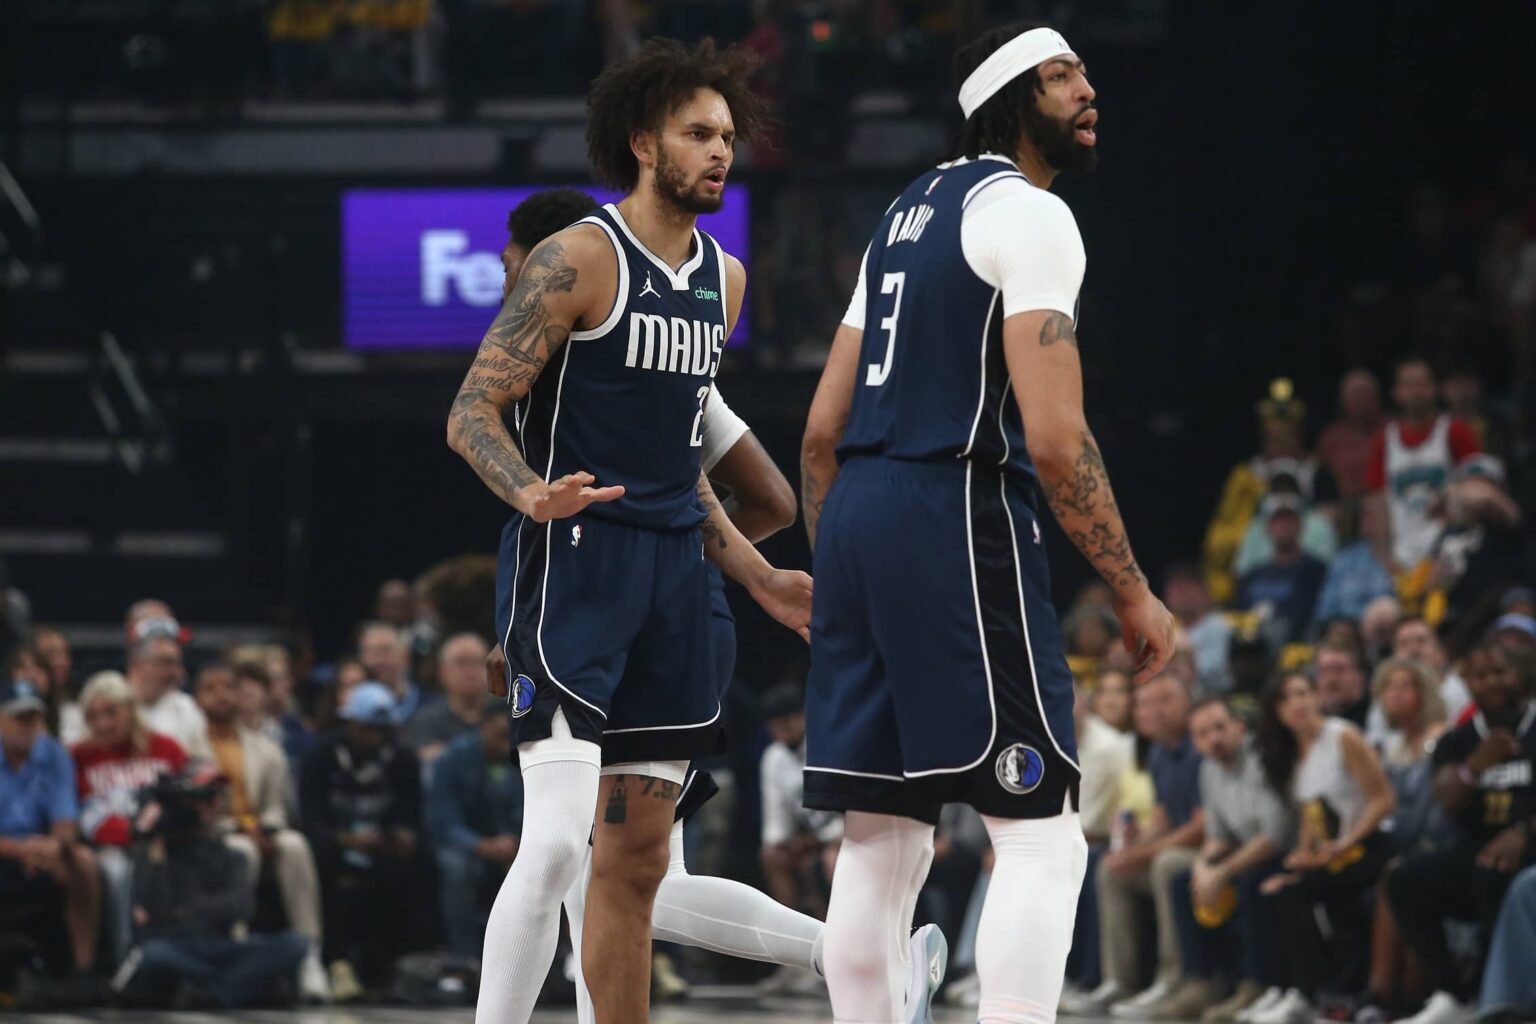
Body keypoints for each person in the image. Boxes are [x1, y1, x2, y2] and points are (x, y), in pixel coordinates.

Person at [798, 21, 1176, 1023]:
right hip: (951, 507)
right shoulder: (1030, 214)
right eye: (1063, 74)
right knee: (1043, 833)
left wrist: (839, 562)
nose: (1089, 87)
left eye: (1088, 70)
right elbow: (1057, 439)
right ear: (1010, 101)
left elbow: (820, 430)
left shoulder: (900, 215)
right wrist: (1134, 587)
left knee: (881, 839)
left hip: (860, 515)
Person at [448, 38, 813, 1024]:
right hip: (574, 562)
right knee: (562, 843)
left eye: (729, 136)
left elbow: (685, 465)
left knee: (640, 861)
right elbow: (471, 411)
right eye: (700, 133)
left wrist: (756, 573)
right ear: (645, 142)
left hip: (675, 579)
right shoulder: (577, 256)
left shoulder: (725, 282)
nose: (720, 152)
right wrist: (529, 493)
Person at [488, 187, 847, 1021]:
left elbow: (714, 487)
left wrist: (658, 538)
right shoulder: (647, 335)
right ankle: (851, 949)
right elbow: (769, 497)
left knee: (590, 865)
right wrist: (718, 560)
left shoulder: (600, 330)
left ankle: (847, 948)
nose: (508, 282)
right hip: (673, 595)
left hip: (619, 588)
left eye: (514, 262)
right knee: (628, 874)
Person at [1386, 643, 1536, 1024]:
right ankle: (1455, 995)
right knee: (1404, 879)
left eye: (1500, 672)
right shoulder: (1460, 739)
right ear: (1466, 683)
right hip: (1477, 847)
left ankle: (1505, 999)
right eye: (1480, 675)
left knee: (1494, 874)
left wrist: (1523, 831)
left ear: (1521, 674)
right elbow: (1447, 798)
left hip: (1529, 845)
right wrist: (1475, 766)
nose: (1492, 683)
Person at [1251, 673, 1395, 1024]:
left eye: (1302, 693)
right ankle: (1296, 990)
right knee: (1274, 888)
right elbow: (1310, 816)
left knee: (1295, 896)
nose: (1296, 704)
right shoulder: (1296, 754)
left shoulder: (1342, 735)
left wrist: (1344, 843)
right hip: (1335, 853)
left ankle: (1324, 994)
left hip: (1370, 845)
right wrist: (1301, 861)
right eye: (1285, 700)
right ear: (1277, 713)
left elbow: (1383, 799)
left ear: (1315, 697)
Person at [187, 663, 329, 1002]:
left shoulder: (265, 748)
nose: (221, 695)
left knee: (294, 845)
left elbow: (276, 805)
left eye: (228, 687)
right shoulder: (186, 747)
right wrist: (241, 829)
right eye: (211, 688)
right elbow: (191, 808)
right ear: (197, 697)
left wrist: (265, 827)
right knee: (242, 851)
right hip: (212, 836)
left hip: (260, 830)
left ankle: (310, 955)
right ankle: (238, 949)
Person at [115, 770, 309, 1009]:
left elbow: (239, 908)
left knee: (294, 943)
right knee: (154, 955)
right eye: (204, 801)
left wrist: (182, 911)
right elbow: (146, 914)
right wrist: (157, 843)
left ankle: (211, 991)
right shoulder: (154, 855)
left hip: (220, 946)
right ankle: (236, 989)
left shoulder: (231, 856)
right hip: (174, 946)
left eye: (215, 800)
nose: (212, 808)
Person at [1165, 697, 1294, 1022]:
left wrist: (1221, 872)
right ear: (1195, 742)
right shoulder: (1209, 769)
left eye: (1220, 728)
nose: (1215, 739)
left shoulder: (1262, 758)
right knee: (1184, 882)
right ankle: (1202, 981)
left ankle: (1256, 984)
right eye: (1204, 733)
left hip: (1285, 853)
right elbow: (1217, 835)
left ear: (1239, 726)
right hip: (1245, 852)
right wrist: (1202, 867)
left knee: (1251, 881)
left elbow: (1276, 835)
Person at [1084, 675, 1204, 1017]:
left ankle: (1172, 979)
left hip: (1208, 851)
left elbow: (1201, 827)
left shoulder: (1198, 747)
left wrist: (1145, 851)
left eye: (1164, 700)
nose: (1153, 710)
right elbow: (1164, 821)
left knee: (1166, 864)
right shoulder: (1158, 755)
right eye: (1145, 703)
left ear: (1188, 704)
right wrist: (1134, 846)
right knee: (1112, 867)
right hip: (1177, 848)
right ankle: (1119, 980)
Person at [299, 682, 423, 996]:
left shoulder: (402, 758)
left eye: (382, 730)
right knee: (321, 860)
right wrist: (343, 839)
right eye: (367, 729)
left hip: (381, 846)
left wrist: (402, 835)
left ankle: (401, 963)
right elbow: (310, 817)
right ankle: (336, 962)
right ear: (349, 723)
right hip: (333, 845)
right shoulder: (321, 756)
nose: (375, 738)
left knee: (417, 863)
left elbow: (411, 814)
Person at [69, 671, 188, 968]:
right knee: (118, 870)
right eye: (92, 717)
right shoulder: (79, 756)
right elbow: (85, 816)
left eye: (111, 712)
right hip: (110, 845)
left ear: (131, 709)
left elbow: (188, 796)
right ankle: (127, 959)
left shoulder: (167, 748)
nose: (103, 724)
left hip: (165, 839)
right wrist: (131, 832)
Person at [0, 677, 100, 978]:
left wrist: (53, 848)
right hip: (7, 847)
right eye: (19, 717)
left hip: (40, 849)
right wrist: (20, 851)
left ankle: (83, 967)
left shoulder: (54, 754)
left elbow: (65, 820)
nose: (26, 725)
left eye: (33, 717)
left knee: (83, 861)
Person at [1365, 357, 1482, 571]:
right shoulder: (1385, 441)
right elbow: (1377, 502)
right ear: (1396, 393)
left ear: (1434, 389)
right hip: (1402, 554)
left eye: (1422, 385)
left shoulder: (1456, 431)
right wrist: (1384, 556)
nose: (1416, 392)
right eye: (1408, 386)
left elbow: (1478, 486)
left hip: (1451, 552)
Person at [428, 697, 524, 958]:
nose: (506, 743)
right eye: (500, 735)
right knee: (458, 869)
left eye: (511, 736)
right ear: (483, 729)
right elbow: (443, 821)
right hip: (466, 845)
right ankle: (465, 958)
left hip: (512, 844)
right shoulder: (452, 759)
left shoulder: (523, 757)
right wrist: (480, 845)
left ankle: (529, 959)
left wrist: (516, 842)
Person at [759, 684, 843, 918]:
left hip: (843, 832)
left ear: (803, 717)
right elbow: (774, 817)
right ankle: (789, 929)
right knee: (772, 856)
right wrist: (783, 842)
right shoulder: (773, 757)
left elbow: (849, 807)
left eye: (786, 722)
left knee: (821, 863)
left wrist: (823, 840)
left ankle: (830, 933)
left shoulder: (829, 744)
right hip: (806, 835)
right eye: (774, 724)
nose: (780, 729)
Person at [1234, 496, 1329, 650]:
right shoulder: (1252, 575)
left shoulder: (1316, 570)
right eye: (1278, 521)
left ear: (1300, 525)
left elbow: (1307, 616)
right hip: (1252, 648)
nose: (1284, 526)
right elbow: (1241, 613)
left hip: (1295, 644)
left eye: (1289, 520)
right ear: (1267, 528)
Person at [402, 632, 491, 768]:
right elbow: (425, 759)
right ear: (442, 673)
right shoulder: (425, 719)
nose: (470, 672)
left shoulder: (503, 714)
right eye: (461, 664)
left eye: (477, 663)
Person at [127, 633, 205, 751]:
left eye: (177, 663)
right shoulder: (113, 705)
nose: (174, 672)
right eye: (166, 663)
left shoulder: (189, 708)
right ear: (139, 664)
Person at [1317, 370, 1386, 500]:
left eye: (1366, 394)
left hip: (1385, 503)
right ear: (1343, 400)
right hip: (1345, 506)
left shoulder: (1392, 430)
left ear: (1377, 396)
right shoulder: (1331, 438)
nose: (1361, 400)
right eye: (1356, 395)